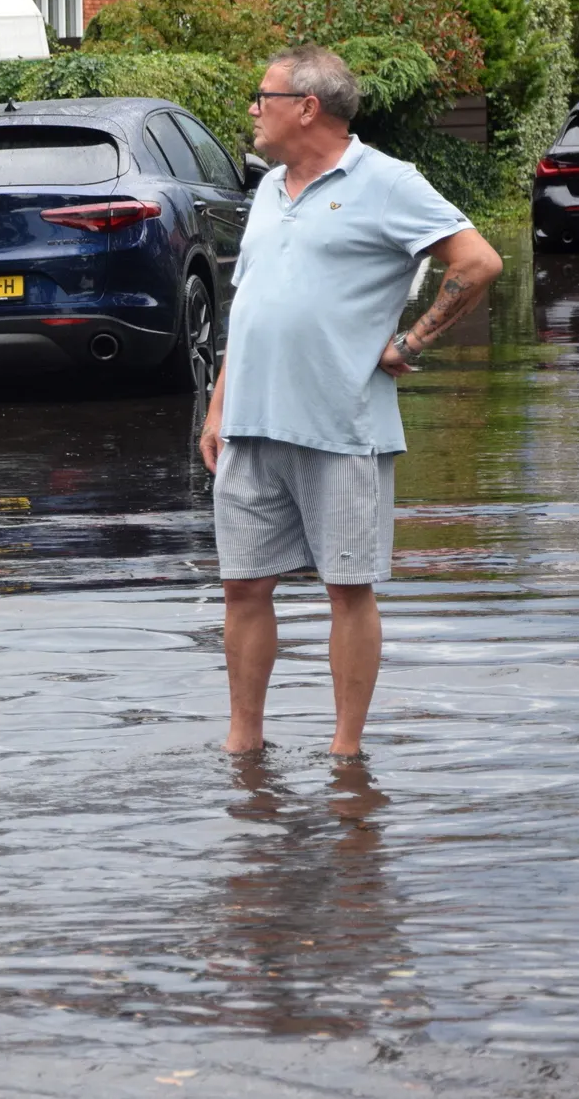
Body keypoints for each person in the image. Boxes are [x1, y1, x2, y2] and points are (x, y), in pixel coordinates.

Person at [199, 45, 504, 757]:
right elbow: (250, 307)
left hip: (342, 423)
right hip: (250, 424)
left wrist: (410, 344)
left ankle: (345, 752)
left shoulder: (388, 182)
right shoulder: (270, 189)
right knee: (242, 588)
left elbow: (478, 261)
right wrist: (218, 408)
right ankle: (243, 747)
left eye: (262, 95)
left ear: (306, 107)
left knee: (348, 590)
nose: (252, 108)